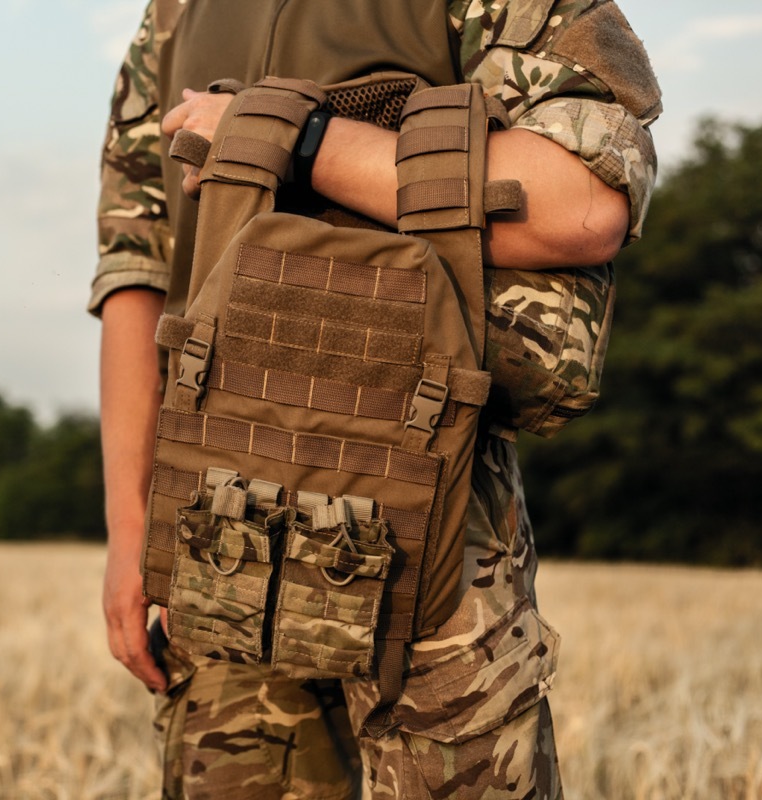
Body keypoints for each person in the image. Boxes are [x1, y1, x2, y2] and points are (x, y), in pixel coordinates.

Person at [90, 2, 661, 797]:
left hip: (428, 501)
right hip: (213, 517)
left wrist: (294, 140)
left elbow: (583, 202)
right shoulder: (175, 13)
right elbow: (139, 271)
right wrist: (128, 529)